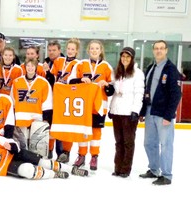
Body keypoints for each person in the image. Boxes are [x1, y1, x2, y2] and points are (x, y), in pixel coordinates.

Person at [0, 125, 88, 179]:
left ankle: (72, 170)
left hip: (14, 154)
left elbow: (13, 143)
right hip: (5, 167)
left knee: (43, 162)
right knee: (28, 170)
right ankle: (54, 175)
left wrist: (12, 147)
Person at [139, 40, 182, 185]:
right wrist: (143, 111)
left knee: (166, 144)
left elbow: (176, 94)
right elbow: (147, 90)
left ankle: (167, 175)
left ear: (166, 50)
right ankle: (154, 169)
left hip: (163, 113)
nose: (158, 51)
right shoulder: (151, 67)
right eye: (156, 48)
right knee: (149, 143)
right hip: (151, 110)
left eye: (161, 48)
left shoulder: (171, 69)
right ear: (153, 50)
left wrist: (169, 115)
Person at [68, 39, 113, 171]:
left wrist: (107, 85)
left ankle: (94, 156)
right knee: (83, 131)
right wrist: (80, 79)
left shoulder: (106, 66)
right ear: (88, 50)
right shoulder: (81, 64)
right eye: (92, 48)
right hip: (83, 105)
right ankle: (81, 155)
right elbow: (70, 80)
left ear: (100, 51)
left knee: (96, 132)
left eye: (97, 48)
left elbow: (113, 87)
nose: (94, 50)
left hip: (100, 106)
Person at [108, 47, 144, 177]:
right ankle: (117, 167)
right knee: (118, 141)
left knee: (128, 142)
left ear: (132, 58)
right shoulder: (116, 72)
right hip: (117, 111)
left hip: (129, 112)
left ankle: (125, 169)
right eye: (123, 56)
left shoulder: (137, 73)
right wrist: (111, 109)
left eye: (128, 57)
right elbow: (114, 92)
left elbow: (139, 93)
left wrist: (136, 110)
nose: (125, 59)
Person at [10, 58, 52, 157]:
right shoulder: (17, 81)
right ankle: (22, 159)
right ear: (25, 67)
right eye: (28, 66)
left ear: (36, 67)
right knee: (22, 142)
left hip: (37, 117)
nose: (30, 68)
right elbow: (13, 100)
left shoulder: (43, 82)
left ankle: (38, 160)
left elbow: (47, 102)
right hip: (21, 116)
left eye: (32, 66)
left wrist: (46, 119)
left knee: (36, 144)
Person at [51, 38, 81, 163]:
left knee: (66, 127)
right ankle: (50, 150)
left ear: (77, 51)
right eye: (68, 48)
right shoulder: (59, 61)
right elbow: (52, 77)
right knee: (54, 126)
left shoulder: (79, 64)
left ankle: (65, 152)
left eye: (73, 49)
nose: (70, 51)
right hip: (56, 97)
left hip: (68, 99)